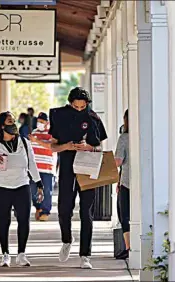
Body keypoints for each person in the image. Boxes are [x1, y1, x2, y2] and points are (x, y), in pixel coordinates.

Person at [49, 87, 108, 269]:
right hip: (66, 167)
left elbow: (100, 148)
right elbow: (53, 147)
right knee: (64, 209)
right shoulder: (59, 115)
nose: (80, 109)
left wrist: (89, 148)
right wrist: (66, 146)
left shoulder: (94, 118)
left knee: (86, 212)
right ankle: (67, 239)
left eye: (83, 106)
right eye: (76, 106)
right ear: (70, 103)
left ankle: (85, 255)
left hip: (88, 168)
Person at [0, 111, 44, 267]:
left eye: (14, 121)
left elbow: (32, 164)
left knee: (24, 219)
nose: (14, 125)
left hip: (22, 185)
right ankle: (5, 254)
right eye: (10, 122)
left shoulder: (24, 143)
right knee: (4, 221)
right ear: (2, 126)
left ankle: (21, 254)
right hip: (1, 187)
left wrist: (39, 184)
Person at [28, 112, 56, 221]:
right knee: (33, 190)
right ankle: (38, 207)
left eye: (42, 122)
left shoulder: (52, 134)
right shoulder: (33, 133)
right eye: (39, 121)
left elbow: (51, 146)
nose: (40, 123)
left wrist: (36, 141)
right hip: (34, 168)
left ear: (47, 123)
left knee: (47, 190)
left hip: (47, 168)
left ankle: (45, 212)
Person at [114, 109, 130, 260]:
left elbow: (118, 161)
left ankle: (128, 248)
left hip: (127, 182)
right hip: (145, 183)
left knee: (124, 215)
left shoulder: (124, 138)